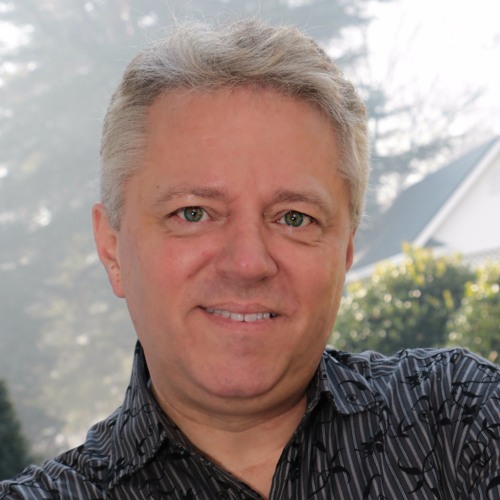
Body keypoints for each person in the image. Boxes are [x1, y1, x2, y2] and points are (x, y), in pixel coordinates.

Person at [1, 18, 499, 500]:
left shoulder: (462, 419)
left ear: (345, 251)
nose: (248, 263)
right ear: (111, 248)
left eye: (294, 218)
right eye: (193, 213)